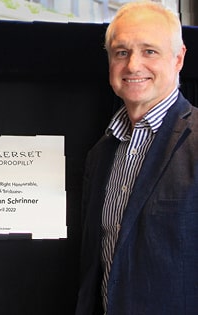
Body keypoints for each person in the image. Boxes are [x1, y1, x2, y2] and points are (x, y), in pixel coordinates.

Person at [76, 1, 197, 314]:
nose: (132, 66)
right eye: (121, 52)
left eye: (149, 51)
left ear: (178, 58)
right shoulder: (101, 153)